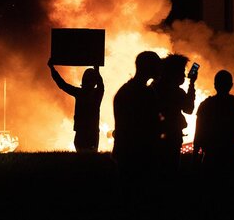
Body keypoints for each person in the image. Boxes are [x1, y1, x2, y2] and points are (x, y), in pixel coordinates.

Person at [112, 51, 162, 208]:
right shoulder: (145, 93)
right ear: (149, 67)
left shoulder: (125, 91)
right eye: (156, 65)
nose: (160, 69)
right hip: (140, 154)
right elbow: (151, 124)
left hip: (125, 153)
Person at [193, 70, 234, 169]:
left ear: (215, 85)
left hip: (211, 158)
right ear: (231, 85)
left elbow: (199, 132)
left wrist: (194, 156)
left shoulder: (205, 105)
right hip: (233, 157)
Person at [152, 53, 196, 180]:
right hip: (171, 138)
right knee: (170, 173)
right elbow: (189, 109)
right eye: (181, 71)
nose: (183, 75)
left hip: (154, 138)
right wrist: (192, 84)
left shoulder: (153, 88)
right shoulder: (175, 92)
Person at [48, 58, 104, 152]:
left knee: (81, 159)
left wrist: (52, 69)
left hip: (82, 132)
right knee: (92, 160)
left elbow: (62, 85)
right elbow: (100, 84)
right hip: (92, 133)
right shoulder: (97, 93)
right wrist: (97, 70)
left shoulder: (80, 93)